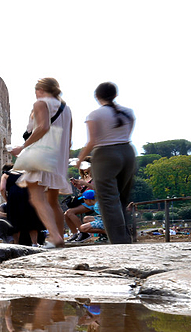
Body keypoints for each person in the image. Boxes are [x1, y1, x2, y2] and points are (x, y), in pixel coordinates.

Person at [10, 77, 72, 248]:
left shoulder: (40, 104)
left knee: (37, 198)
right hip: (59, 157)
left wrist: (23, 146)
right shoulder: (66, 108)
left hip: (41, 153)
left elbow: (43, 127)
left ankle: (55, 237)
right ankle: (59, 240)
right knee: (52, 201)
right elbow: (69, 141)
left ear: (40, 90)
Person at [78, 82, 137, 244]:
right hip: (128, 151)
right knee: (122, 197)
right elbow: (127, 134)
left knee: (108, 200)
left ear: (97, 97)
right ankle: (128, 235)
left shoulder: (95, 115)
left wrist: (80, 159)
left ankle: (119, 241)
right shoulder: (128, 112)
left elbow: (92, 141)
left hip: (105, 154)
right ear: (115, 95)